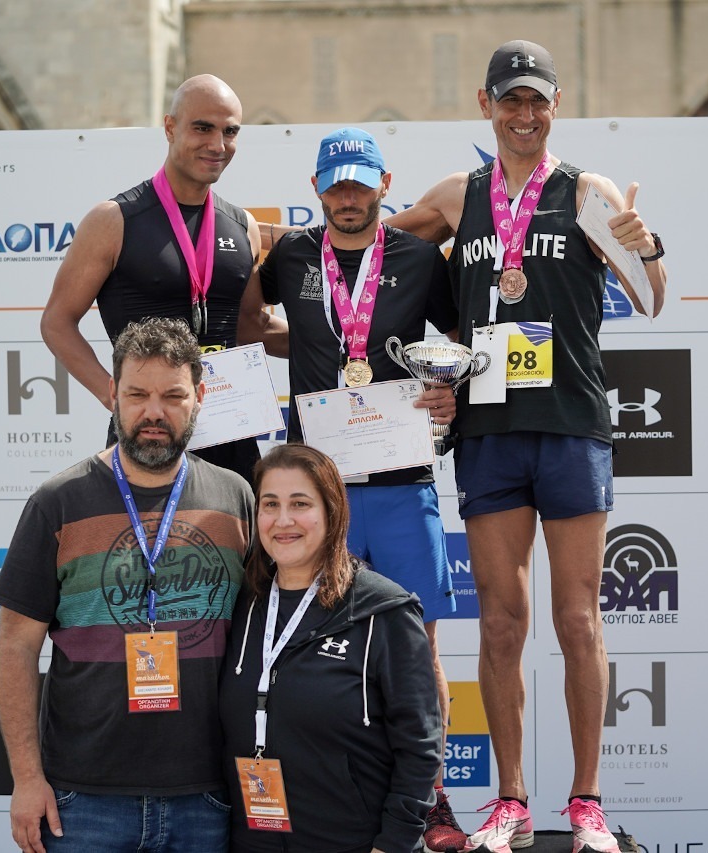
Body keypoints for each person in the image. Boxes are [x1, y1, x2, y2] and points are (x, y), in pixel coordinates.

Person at [382, 40, 669, 853]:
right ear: (486, 105)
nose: (525, 114)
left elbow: (651, 299)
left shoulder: (586, 191)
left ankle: (587, 804)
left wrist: (643, 244)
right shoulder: (457, 195)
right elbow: (370, 249)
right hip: (489, 433)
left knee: (578, 620)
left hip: (571, 425)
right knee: (502, 624)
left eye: (538, 99)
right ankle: (509, 800)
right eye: (511, 99)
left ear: (555, 106)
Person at [238, 127, 469, 851]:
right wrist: (295, 347)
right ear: (316, 189)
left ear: (383, 185)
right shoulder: (291, 256)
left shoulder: (418, 258)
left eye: (360, 185)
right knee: (304, 647)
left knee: (419, 647)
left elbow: (463, 344)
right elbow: (247, 316)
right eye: (336, 185)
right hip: (315, 488)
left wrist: (449, 394)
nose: (348, 198)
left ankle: (433, 799)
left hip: (400, 478)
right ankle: (319, 794)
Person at [0, 317, 253, 853]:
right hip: (81, 800)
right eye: (137, 395)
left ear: (200, 398)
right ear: (112, 394)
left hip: (207, 798)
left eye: (173, 396)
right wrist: (27, 778)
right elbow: (16, 648)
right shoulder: (57, 503)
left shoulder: (237, 498)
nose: (154, 412)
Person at [41, 74, 277, 485]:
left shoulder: (244, 225)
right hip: (147, 434)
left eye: (230, 132)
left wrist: (337, 343)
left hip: (230, 438)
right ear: (170, 128)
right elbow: (57, 322)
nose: (217, 145)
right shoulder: (113, 220)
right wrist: (115, 396)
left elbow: (252, 325)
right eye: (202, 128)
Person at [219, 442, 442, 853]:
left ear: (332, 512)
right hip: (251, 842)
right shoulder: (240, 603)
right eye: (270, 504)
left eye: (300, 504)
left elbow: (420, 745)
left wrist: (393, 843)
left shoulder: (384, 610)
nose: (283, 520)